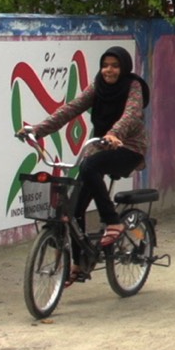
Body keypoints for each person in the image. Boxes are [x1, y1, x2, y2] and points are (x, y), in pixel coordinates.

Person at [19, 46, 150, 272]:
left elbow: (132, 113)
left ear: (124, 68)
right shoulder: (98, 85)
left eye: (115, 66)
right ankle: (80, 263)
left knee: (89, 165)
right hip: (102, 148)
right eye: (105, 65)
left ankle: (113, 221)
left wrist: (114, 134)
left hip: (128, 148)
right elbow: (71, 108)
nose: (109, 70)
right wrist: (37, 130)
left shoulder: (133, 86)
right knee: (73, 207)